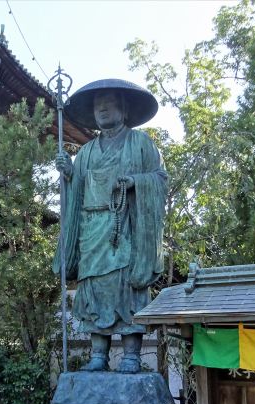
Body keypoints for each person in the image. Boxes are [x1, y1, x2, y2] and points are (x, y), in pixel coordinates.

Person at [54, 79, 168, 373]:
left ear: (124, 108)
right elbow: (77, 192)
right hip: (92, 228)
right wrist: (69, 175)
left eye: (109, 103)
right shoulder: (87, 152)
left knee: (126, 287)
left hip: (126, 227)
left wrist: (136, 183)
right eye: (97, 106)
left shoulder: (140, 143)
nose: (102, 109)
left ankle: (131, 354)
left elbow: (159, 179)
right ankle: (98, 354)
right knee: (92, 288)